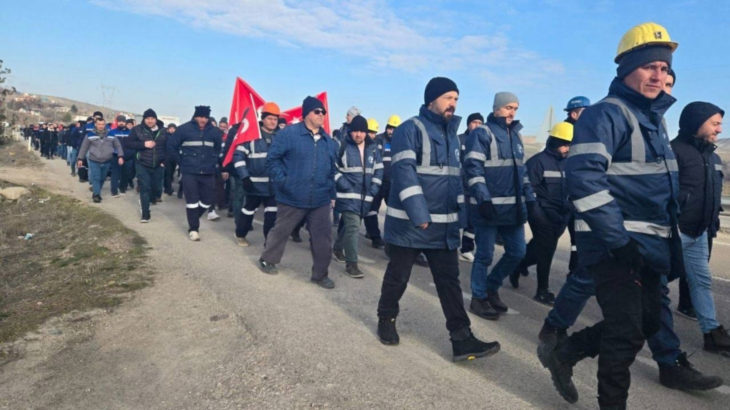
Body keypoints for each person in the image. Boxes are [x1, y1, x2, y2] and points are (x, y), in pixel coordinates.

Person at [536, 23, 714, 408]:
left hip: (648, 245)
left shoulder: (653, 119)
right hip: (614, 245)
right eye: (650, 66)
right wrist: (618, 241)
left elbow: (656, 191)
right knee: (625, 333)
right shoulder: (605, 114)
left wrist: (672, 245)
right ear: (626, 68)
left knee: (648, 322)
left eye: (664, 69)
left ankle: (564, 354)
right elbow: (583, 178)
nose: (659, 76)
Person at [376, 77, 500, 361]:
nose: (453, 104)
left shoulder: (452, 137)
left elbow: (454, 182)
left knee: (449, 283)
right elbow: (404, 172)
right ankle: (386, 319)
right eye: (448, 98)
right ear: (431, 99)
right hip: (411, 224)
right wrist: (419, 214)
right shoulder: (410, 129)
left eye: (456, 98)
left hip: (442, 228)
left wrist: (462, 219)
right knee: (398, 277)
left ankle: (462, 338)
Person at [464, 92, 535, 319]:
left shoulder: (516, 136)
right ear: (496, 109)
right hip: (488, 208)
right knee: (484, 255)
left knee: (517, 252)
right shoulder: (482, 133)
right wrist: (483, 198)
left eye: (515, 108)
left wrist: (530, 197)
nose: (512, 112)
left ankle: (491, 287)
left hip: (512, 209)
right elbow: (473, 168)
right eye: (508, 107)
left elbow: (521, 172)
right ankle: (478, 297)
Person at [258, 96, 339, 290]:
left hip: (320, 198)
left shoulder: (329, 141)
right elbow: (272, 160)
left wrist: (332, 194)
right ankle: (268, 259)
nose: (322, 115)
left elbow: (332, 170)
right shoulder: (289, 135)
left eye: (323, 112)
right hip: (292, 196)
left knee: (323, 238)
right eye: (317, 112)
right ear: (307, 114)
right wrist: (284, 182)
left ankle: (320, 274)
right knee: (281, 231)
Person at [671, 101, 730, 355]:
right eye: (715, 123)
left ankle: (712, 333)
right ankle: (631, 328)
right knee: (655, 283)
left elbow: (714, 195)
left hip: (699, 233)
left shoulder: (713, 157)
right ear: (697, 122)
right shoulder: (672, 152)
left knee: (702, 282)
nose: (719, 129)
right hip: (675, 231)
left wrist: (712, 224)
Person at [510, 122, 573, 305]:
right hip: (542, 215)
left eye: (570, 144)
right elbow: (529, 193)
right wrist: (539, 217)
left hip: (561, 216)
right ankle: (542, 290)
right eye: (564, 144)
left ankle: (518, 265)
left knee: (539, 248)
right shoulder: (537, 162)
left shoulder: (569, 163)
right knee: (546, 251)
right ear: (554, 141)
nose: (567, 148)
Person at [332, 115, 383, 278]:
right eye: (355, 131)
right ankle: (352, 264)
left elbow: (379, 170)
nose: (358, 135)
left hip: (365, 197)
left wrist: (374, 188)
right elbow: (332, 168)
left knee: (348, 226)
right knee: (353, 226)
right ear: (350, 131)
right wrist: (343, 184)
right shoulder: (342, 145)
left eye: (362, 131)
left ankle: (337, 248)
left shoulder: (374, 148)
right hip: (347, 196)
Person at [166, 106, 223, 241]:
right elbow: (171, 146)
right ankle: (194, 229)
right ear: (195, 116)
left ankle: (193, 217)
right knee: (192, 201)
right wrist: (181, 162)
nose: (203, 119)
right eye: (200, 117)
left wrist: (213, 161)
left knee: (207, 200)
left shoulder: (214, 132)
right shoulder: (184, 129)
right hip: (190, 171)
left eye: (205, 117)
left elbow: (218, 148)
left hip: (208, 171)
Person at [231, 102, 281, 246]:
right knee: (248, 211)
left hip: (273, 186)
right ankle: (240, 234)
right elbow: (238, 156)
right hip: (254, 185)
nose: (273, 122)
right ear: (263, 119)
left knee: (271, 215)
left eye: (275, 119)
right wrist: (244, 176)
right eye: (270, 118)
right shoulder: (251, 136)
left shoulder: (280, 139)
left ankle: (269, 242)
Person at [364, 114, 400, 249]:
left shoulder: (400, 143)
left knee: (393, 213)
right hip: (377, 181)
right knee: (372, 210)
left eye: (395, 128)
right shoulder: (378, 140)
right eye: (390, 128)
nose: (392, 131)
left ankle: (391, 239)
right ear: (386, 127)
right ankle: (375, 237)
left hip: (392, 183)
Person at [127, 109, 167, 222]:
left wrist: (165, 160)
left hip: (158, 164)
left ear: (156, 119)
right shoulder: (137, 130)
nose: (150, 121)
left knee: (156, 188)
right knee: (145, 187)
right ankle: (145, 214)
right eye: (148, 118)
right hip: (142, 163)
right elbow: (129, 143)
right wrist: (143, 144)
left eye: (152, 118)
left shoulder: (163, 131)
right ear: (144, 119)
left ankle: (148, 200)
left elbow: (167, 146)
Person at [456, 112, 484, 262]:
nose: (477, 125)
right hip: (460, 186)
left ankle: (466, 249)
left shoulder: (484, 142)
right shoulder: (459, 140)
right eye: (474, 122)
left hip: (475, 188)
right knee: (456, 217)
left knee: (473, 220)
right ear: (468, 124)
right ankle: (449, 244)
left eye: (480, 123)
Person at [77, 117, 124, 202]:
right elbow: (84, 147)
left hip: (107, 160)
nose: (101, 126)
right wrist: (80, 158)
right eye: (99, 124)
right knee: (96, 177)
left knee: (102, 178)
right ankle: (96, 195)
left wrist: (120, 156)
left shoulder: (111, 135)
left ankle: (96, 189)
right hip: (94, 160)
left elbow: (118, 146)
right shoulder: (90, 135)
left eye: (103, 124)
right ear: (95, 124)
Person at [163, 123, 179, 196]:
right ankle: (168, 189)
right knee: (168, 174)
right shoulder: (165, 136)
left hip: (174, 159)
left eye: (173, 128)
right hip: (167, 158)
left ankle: (167, 187)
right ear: (168, 129)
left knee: (171, 174)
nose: (172, 130)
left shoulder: (177, 137)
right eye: (171, 128)